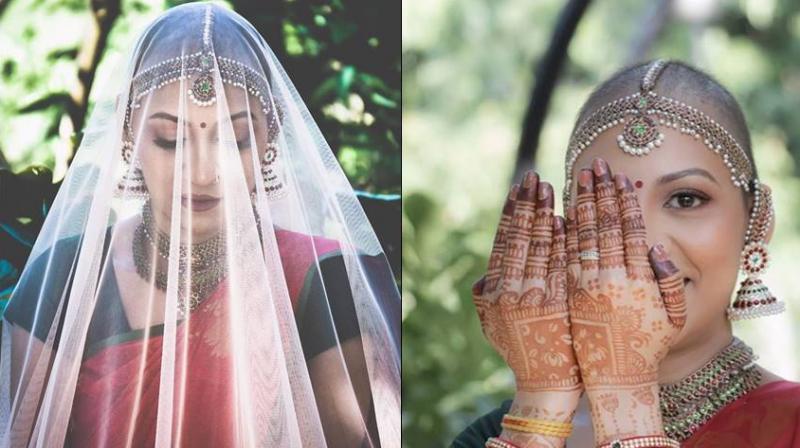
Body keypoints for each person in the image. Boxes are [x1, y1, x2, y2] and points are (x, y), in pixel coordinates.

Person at [0, 3, 400, 447]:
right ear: (130, 133)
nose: (204, 172)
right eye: (170, 140)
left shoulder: (326, 283)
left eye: (235, 140)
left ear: (269, 138)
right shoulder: (62, 280)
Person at [455, 60, 800, 447]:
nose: (641, 242)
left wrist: (625, 401)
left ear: (757, 221)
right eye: (604, 206)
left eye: (685, 199)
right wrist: (539, 412)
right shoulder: (494, 433)